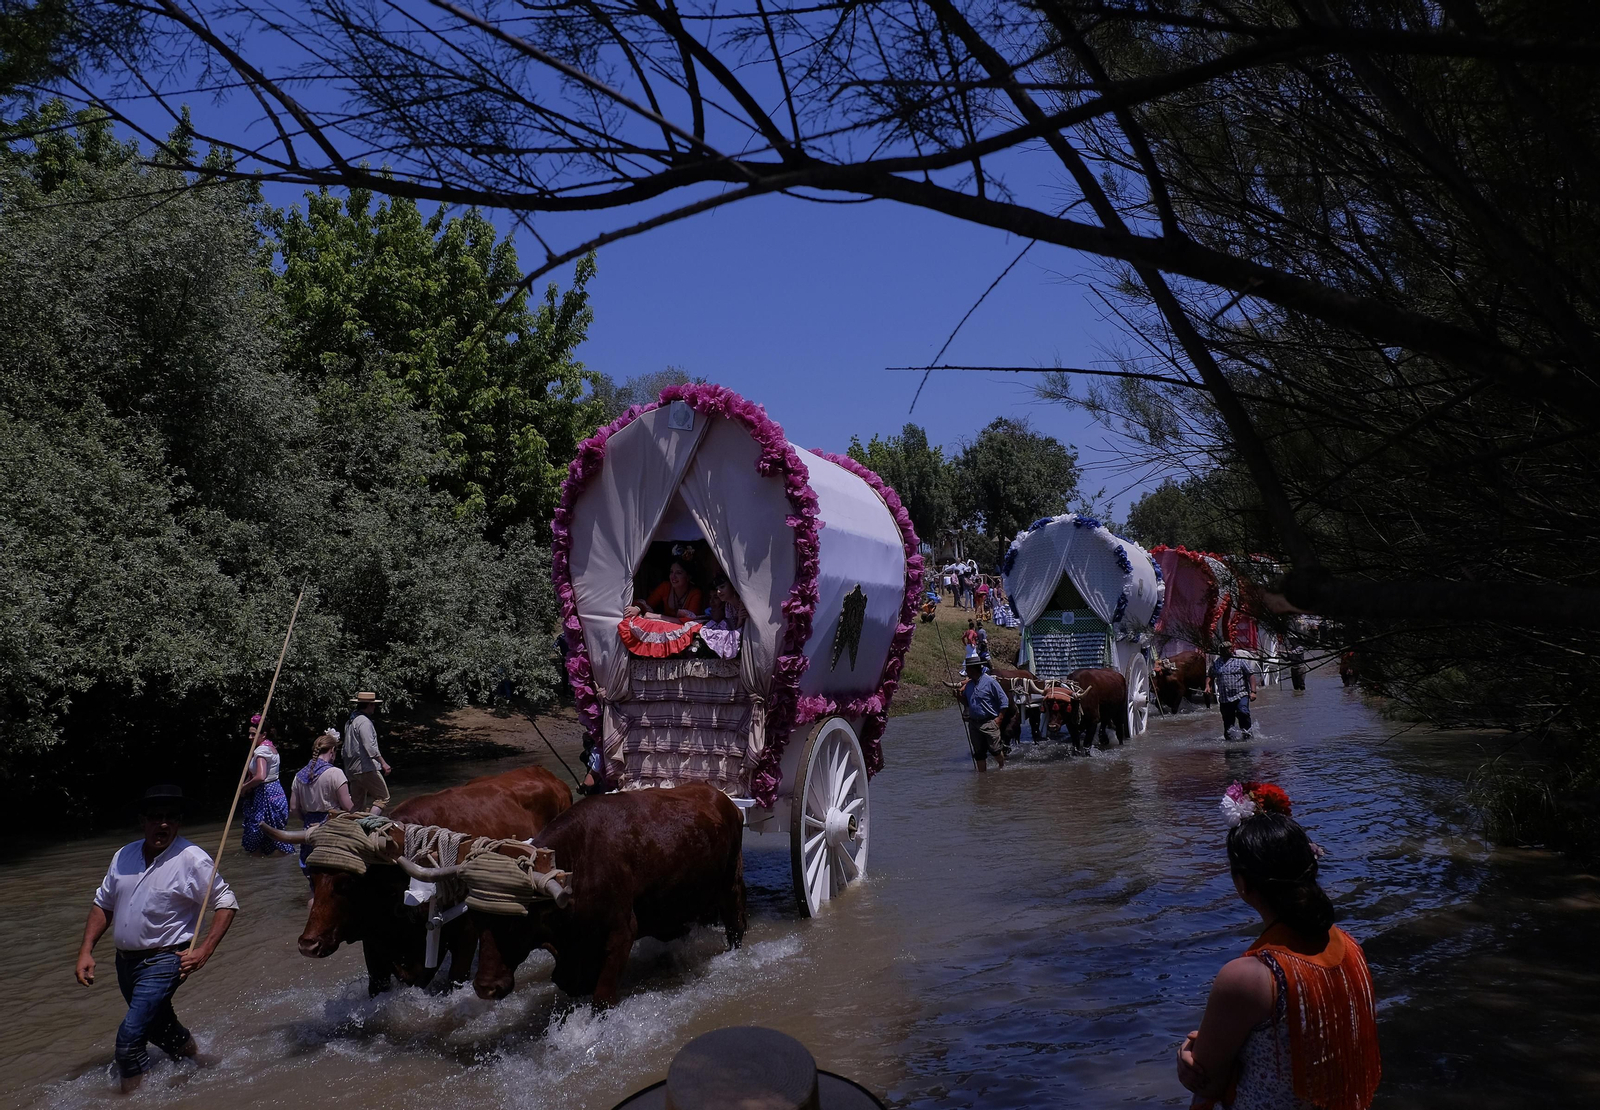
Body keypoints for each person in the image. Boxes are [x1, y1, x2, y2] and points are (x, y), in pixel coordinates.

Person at [1178, 782, 1380, 1110]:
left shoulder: (1249, 978)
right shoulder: (1350, 948)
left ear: (1242, 884)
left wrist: (1186, 1052)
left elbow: (1207, 1077)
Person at [76, 784, 239, 1093]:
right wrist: (86, 950)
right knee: (156, 1026)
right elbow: (103, 905)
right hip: (125, 962)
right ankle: (196, 1059)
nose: (162, 824)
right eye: (155, 817)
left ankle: (129, 1099)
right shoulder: (123, 855)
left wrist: (204, 950)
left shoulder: (192, 858)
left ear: (178, 822)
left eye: (170, 817)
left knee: (129, 1038)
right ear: (142, 821)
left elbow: (226, 902)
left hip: (166, 959)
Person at [288, 729, 353, 890]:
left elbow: (293, 809)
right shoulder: (335, 773)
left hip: (309, 832)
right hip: (333, 829)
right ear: (332, 751)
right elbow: (348, 807)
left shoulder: (298, 776)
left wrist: (307, 820)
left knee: (316, 886)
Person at [238, 717, 294, 856]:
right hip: (275, 792)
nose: (250, 737)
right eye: (249, 733)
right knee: (273, 835)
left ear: (263, 735)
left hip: (266, 795)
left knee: (257, 833)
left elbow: (260, 776)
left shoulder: (261, 751)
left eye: (253, 734)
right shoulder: (270, 747)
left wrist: (244, 787)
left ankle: (256, 867)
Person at [955, 658, 1009, 771]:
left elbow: (1004, 701)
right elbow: (967, 703)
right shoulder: (969, 685)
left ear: (974, 669)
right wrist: (959, 697)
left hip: (989, 722)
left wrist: (999, 719)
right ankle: (982, 777)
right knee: (979, 753)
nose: (966, 672)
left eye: (967, 669)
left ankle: (1002, 768)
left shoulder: (990, 682)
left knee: (995, 751)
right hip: (974, 723)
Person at [342, 691, 391, 814]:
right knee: (383, 798)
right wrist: (383, 763)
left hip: (351, 769)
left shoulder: (351, 721)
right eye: (373, 705)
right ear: (369, 705)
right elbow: (370, 747)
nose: (374, 707)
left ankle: (353, 827)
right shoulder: (364, 722)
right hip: (365, 768)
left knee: (357, 804)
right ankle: (367, 826)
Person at [1205, 642, 1257, 740]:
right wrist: (1208, 686)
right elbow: (1210, 675)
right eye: (1224, 649)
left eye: (1229, 648)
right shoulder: (1217, 663)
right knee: (1228, 722)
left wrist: (1253, 692)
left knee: (1243, 712)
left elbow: (1250, 675)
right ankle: (1230, 745)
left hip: (1241, 694)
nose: (1227, 651)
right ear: (1220, 651)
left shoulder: (1240, 661)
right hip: (1225, 698)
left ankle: (1247, 736)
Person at [627, 559, 704, 621]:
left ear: (688, 577)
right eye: (671, 572)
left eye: (679, 573)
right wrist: (637, 608)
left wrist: (658, 617)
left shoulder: (695, 593)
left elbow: (690, 621)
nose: (673, 576)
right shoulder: (665, 587)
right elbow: (648, 604)